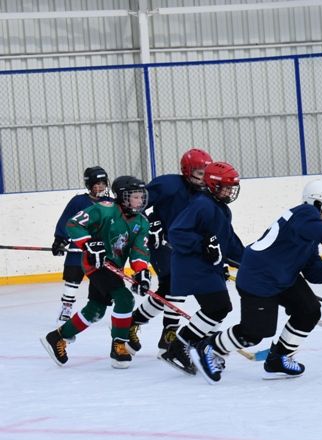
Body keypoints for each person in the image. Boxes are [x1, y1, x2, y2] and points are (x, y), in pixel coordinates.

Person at [189, 179, 322, 383]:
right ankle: (209, 347)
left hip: (282, 277)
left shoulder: (310, 227)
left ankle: (278, 359)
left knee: (309, 310)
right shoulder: (304, 214)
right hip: (259, 278)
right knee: (255, 333)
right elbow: (313, 227)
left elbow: (311, 264)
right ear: (318, 204)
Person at [40, 176, 151, 368]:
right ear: (123, 197)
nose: (140, 201)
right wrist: (89, 243)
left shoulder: (142, 222)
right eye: (135, 197)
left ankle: (57, 337)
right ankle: (119, 346)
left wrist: (141, 272)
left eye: (142, 197)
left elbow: (139, 250)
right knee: (125, 299)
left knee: (96, 310)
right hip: (96, 264)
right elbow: (74, 224)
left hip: (113, 267)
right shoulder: (104, 209)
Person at [160, 161, 244, 375]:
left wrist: (249, 261)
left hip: (207, 267)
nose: (230, 191)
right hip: (193, 266)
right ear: (213, 185)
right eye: (225, 186)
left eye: (231, 187)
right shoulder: (202, 204)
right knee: (218, 306)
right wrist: (202, 244)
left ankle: (193, 345)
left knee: (217, 308)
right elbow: (176, 233)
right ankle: (179, 347)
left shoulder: (221, 208)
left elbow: (229, 241)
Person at [127, 148, 213, 354]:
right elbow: (135, 202)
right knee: (176, 283)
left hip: (184, 247)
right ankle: (170, 334)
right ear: (187, 170)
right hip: (161, 244)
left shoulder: (206, 193)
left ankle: (133, 321)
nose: (203, 178)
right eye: (200, 173)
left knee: (167, 289)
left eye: (206, 172)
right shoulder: (168, 184)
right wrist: (151, 222)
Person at [51, 166, 111, 323]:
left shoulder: (111, 203)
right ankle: (66, 307)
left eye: (103, 183)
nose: (100, 187)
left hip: (100, 250)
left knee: (100, 279)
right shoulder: (78, 201)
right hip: (79, 247)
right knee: (73, 277)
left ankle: (97, 307)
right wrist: (60, 239)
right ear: (89, 185)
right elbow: (66, 220)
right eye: (96, 184)